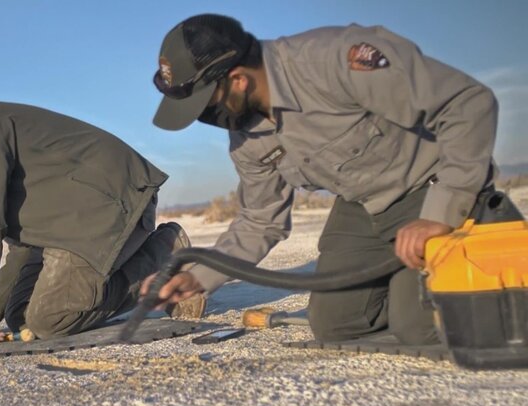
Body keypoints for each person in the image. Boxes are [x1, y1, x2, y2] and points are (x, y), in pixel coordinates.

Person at [145, 14, 498, 345]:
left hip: (432, 188)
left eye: (205, 104)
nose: (206, 117)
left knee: (419, 325)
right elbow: (260, 219)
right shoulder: (247, 136)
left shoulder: (333, 60)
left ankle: (485, 252)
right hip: (365, 206)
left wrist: (441, 211)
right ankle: (412, 288)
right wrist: (197, 277)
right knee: (334, 324)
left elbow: (468, 103)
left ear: (238, 78)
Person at [0, 100, 206, 346]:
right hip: (70, 225)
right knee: (20, 316)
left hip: (107, 204)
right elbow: (20, 247)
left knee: (48, 320)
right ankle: (140, 259)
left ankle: (163, 254)